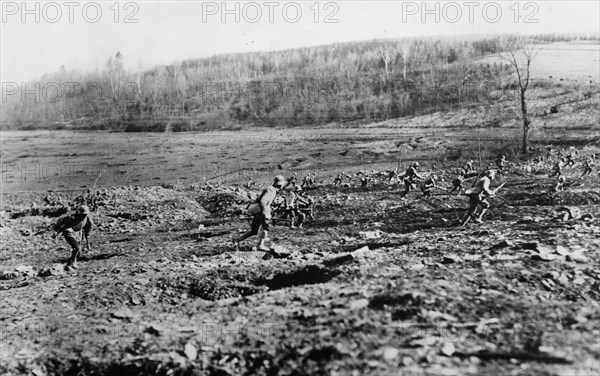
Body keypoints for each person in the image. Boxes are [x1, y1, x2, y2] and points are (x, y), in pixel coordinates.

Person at [234, 175, 286, 253]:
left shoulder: (271, 189)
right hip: (262, 213)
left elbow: (259, 200)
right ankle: (260, 245)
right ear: (280, 184)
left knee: (254, 231)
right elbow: (263, 201)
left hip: (259, 212)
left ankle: (237, 240)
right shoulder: (271, 190)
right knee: (266, 228)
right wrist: (266, 213)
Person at [52, 205, 93, 270]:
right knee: (77, 247)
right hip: (69, 232)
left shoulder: (87, 216)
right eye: (83, 215)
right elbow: (61, 221)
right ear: (79, 213)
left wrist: (87, 236)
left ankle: (69, 264)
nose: (84, 216)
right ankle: (73, 262)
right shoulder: (72, 216)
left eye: (85, 214)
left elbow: (89, 226)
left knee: (79, 252)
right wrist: (56, 231)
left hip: (78, 233)